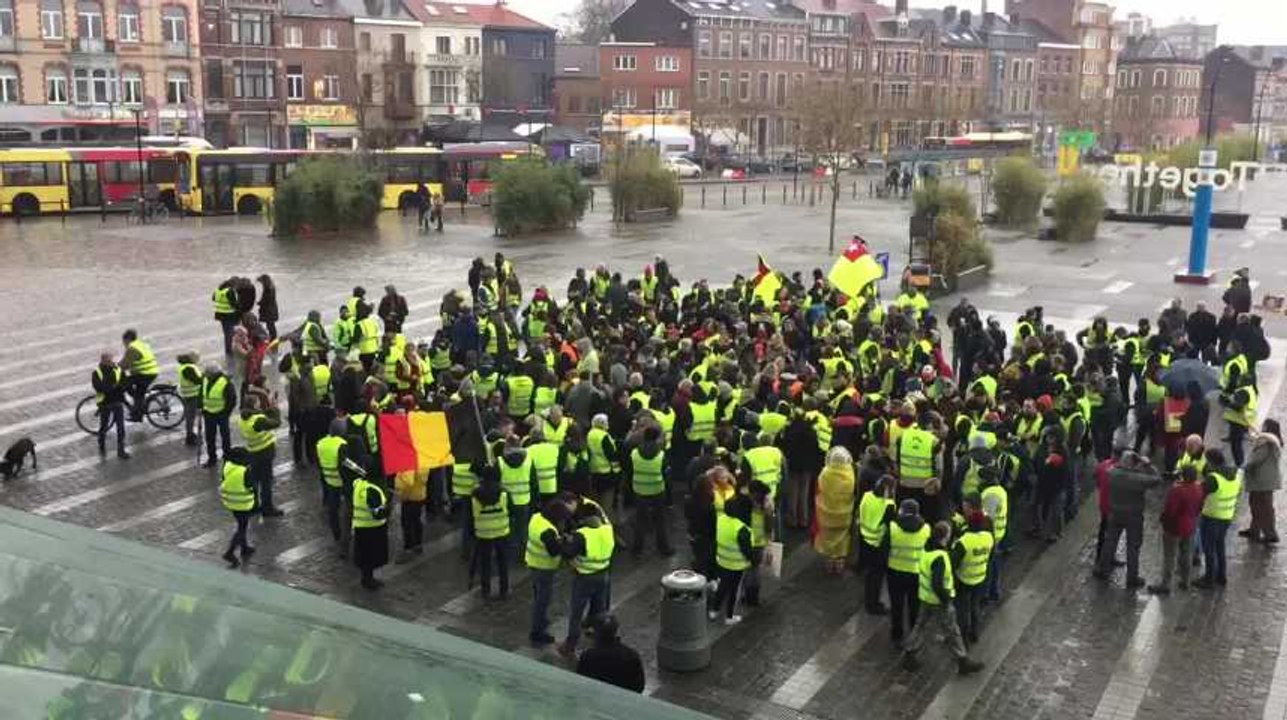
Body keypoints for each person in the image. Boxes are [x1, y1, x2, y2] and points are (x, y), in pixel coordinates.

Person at [900, 521, 983, 675]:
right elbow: (937, 583)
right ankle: (962, 660)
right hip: (938, 600)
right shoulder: (940, 557)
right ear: (945, 536)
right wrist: (946, 601)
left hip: (925, 597)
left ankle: (909, 653)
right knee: (952, 630)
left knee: (920, 626)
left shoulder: (926, 549)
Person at [1094, 451, 1162, 588]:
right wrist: (1148, 465)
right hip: (1134, 516)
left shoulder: (1111, 473)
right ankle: (1132, 578)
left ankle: (1103, 570)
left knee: (1110, 541)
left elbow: (1109, 469)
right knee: (1133, 546)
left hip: (1115, 512)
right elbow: (1157, 479)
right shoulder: (1138, 479)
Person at [559, 500, 615, 657]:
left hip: (584, 578)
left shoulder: (582, 535)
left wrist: (564, 543)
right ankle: (600, 641)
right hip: (603, 575)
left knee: (576, 613)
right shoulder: (607, 530)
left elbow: (568, 553)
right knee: (600, 610)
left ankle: (570, 645)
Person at [1147, 465, 1204, 595]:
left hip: (1174, 527)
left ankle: (1165, 584)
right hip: (1190, 526)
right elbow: (1200, 507)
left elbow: (1170, 511)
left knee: (1169, 556)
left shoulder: (1177, 491)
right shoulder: (1199, 488)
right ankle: (1186, 581)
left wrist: (1163, 521)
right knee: (1187, 554)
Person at [884, 498, 929, 644]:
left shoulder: (893, 527)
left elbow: (885, 547)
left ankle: (896, 634)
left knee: (897, 605)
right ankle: (914, 634)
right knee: (914, 606)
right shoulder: (926, 529)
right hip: (916, 573)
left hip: (895, 572)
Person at [527, 498, 569, 646]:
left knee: (538, 594)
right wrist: (564, 542)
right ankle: (537, 631)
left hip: (533, 563)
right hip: (544, 568)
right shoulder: (548, 532)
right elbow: (554, 551)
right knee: (542, 601)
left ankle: (541, 621)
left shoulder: (536, 518)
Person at [1196, 448, 1241, 588]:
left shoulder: (1213, 478)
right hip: (1226, 516)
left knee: (1209, 548)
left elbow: (1199, 493)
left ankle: (1209, 578)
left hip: (1212, 516)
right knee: (1220, 546)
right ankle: (1221, 576)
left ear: (1211, 461)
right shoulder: (1236, 473)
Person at [626, 425, 673, 557]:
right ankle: (663, 547)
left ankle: (637, 549)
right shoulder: (661, 455)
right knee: (660, 520)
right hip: (657, 490)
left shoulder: (634, 453)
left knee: (640, 521)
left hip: (639, 490)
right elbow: (666, 475)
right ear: (657, 438)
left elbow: (629, 472)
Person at [952, 497, 993, 644]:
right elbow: (991, 554)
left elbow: (953, 562)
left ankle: (963, 637)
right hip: (980, 576)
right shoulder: (988, 537)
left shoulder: (964, 541)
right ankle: (975, 632)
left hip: (963, 579)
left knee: (962, 609)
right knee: (975, 607)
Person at [710, 494, 754, 625]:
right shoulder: (742, 528)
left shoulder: (720, 519)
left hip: (722, 561)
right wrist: (752, 560)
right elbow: (747, 550)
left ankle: (714, 610)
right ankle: (729, 616)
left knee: (722, 587)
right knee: (734, 591)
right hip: (737, 566)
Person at [575, 614, 645, 693]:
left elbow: (580, 684)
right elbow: (639, 687)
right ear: (616, 631)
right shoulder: (631, 656)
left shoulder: (588, 656)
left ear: (596, 633)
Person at [815, 446, 858, 575]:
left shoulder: (825, 473)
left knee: (828, 539)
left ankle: (829, 564)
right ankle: (839, 564)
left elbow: (819, 490)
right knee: (842, 539)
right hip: (844, 515)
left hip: (826, 514)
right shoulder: (850, 474)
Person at [238, 400, 284, 517]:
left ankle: (254, 506)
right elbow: (276, 423)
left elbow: (261, 415)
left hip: (252, 453)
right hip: (264, 453)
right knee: (266, 482)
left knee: (255, 481)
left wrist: (267, 409)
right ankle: (267, 508)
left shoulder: (243, 419)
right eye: (257, 403)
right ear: (253, 406)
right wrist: (275, 409)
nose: (259, 405)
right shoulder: (257, 420)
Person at [1242, 419, 1282, 544]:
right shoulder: (1273, 441)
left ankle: (1270, 534)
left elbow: (1255, 460)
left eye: (1264, 425)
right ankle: (1255, 529)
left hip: (1261, 480)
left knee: (1263, 507)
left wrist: (1245, 466)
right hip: (1265, 480)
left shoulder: (1265, 442)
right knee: (1257, 505)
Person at [471, 474, 511, 599]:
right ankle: (504, 589)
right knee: (503, 562)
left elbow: (471, 514)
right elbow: (511, 510)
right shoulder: (503, 493)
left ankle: (485, 590)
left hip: (484, 533)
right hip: (501, 531)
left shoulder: (475, 495)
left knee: (485, 563)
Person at [352, 465, 390, 590]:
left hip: (360, 527)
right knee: (370, 557)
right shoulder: (373, 490)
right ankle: (369, 581)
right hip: (373, 529)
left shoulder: (359, 485)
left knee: (364, 556)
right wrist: (387, 507)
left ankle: (367, 578)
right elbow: (378, 514)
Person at [316, 419, 351, 553]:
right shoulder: (342, 444)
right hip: (343, 481)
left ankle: (336, 534)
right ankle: (346, 536)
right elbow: (347, 463)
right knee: (348, 511)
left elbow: (319, 462)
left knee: (333, 510)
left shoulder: (321, 443)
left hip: (330, 480)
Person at [219, 446, 256, 568]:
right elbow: (251, 486)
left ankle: (244, 547)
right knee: (242, 527)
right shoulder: (244, 471)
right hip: (242, 503)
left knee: (241, 524)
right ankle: (229, 552)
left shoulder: (228, 465)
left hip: (230, 502)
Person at [91, 352, 129, 459]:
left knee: (120, 427)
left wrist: (118, 388)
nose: (110, 362)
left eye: (111, 360)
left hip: (117, 401)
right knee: (104, 425)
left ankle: (121, 450)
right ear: (102, 361)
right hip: (105, 403)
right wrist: (114, 388)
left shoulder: (118, 370)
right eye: (107, 360)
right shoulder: (97, 372)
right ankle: (101, 442)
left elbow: (124, 383)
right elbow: (98, 387)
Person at [201, 363, 236, 467]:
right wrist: (201, 406)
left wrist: (226, 413)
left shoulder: (225, 382)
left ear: (213, 374)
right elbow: (201, 393)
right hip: (208, 413)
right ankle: (212, 458)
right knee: (209, 437)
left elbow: (232, 400)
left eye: (207, 374)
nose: (205, 375)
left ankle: (227, 457)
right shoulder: (206, 379)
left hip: (221, 414)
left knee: (225, 436)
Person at [120, 329, 158, 422]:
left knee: (128, 387)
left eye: (124, 341)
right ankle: (138, 408)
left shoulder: (132, 348)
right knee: (134, 390)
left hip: (145, 374)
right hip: (151, 371)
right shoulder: (140, 344)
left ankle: (138, 414)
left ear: (128, 339)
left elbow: (125, 364)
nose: (123, 344)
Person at [175, 352, 203, 446]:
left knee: (190, 416)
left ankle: (190, 434)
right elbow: (197, 380)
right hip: (192, 395)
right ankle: (190, 436)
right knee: (190, 417)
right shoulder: (188, 368)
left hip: (189, 394)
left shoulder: (185, 367)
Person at [213, 279, 240, 356]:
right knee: (229, 333)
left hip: (220, 314)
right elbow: (233, 304)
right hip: (229, 315)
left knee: (227, 333)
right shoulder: (230, 291)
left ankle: (228, 349)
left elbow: (213, 298)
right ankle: (229, 350)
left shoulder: (218, 290)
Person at [257, 274, 279, 340]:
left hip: (269, 310)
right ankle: (273, 337)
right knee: (271, 324)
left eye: (261, 282)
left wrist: (260, 303)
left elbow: (267, 300)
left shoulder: (268, 289)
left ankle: (273, 338)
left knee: (270, 324)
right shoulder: (271, 287)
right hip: (272, 308)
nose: (261, 284)